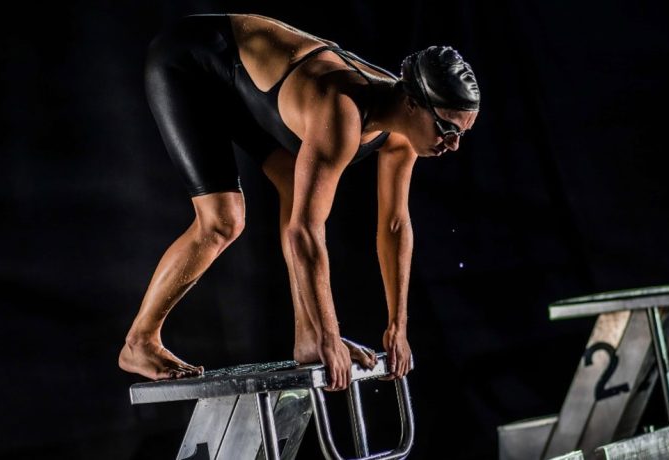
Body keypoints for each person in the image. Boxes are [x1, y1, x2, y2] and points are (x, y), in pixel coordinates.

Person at [117, 14, 480, 391]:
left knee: (296, 183)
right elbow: (303, 232)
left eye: (461, 134)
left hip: (243, 81)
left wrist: (397, 327)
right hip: (192, 59)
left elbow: (394, 225)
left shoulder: (401, 134)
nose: (452, 145)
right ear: (412, 104)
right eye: (447, 129)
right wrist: (329, 334)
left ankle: (306, 337)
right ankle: (139, 341)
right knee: (223, 220)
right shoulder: (341, 110)